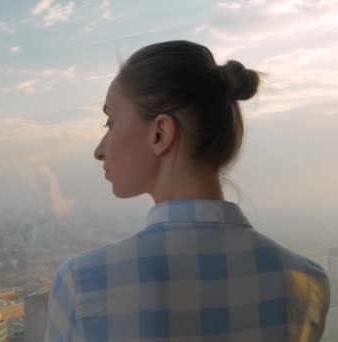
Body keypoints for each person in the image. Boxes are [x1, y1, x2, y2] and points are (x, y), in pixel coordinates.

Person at [44, 40, 330, 341]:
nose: (99, 150)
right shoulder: (307, 282)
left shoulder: (83, 283)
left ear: (161, 133)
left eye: (110, 122)